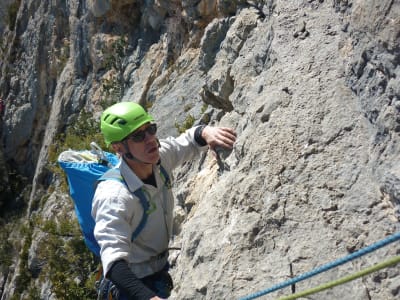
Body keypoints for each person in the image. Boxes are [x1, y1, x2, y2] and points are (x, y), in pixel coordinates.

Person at [92, 102, 236, 299]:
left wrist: (207, 132)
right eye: (138, 136)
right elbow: (114, 264)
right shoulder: (114, 196)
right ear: (118, 147)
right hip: (133, 285)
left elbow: (188, 140)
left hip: (160, 270)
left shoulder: (159, 160)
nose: (150, 139)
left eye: (150, 129)